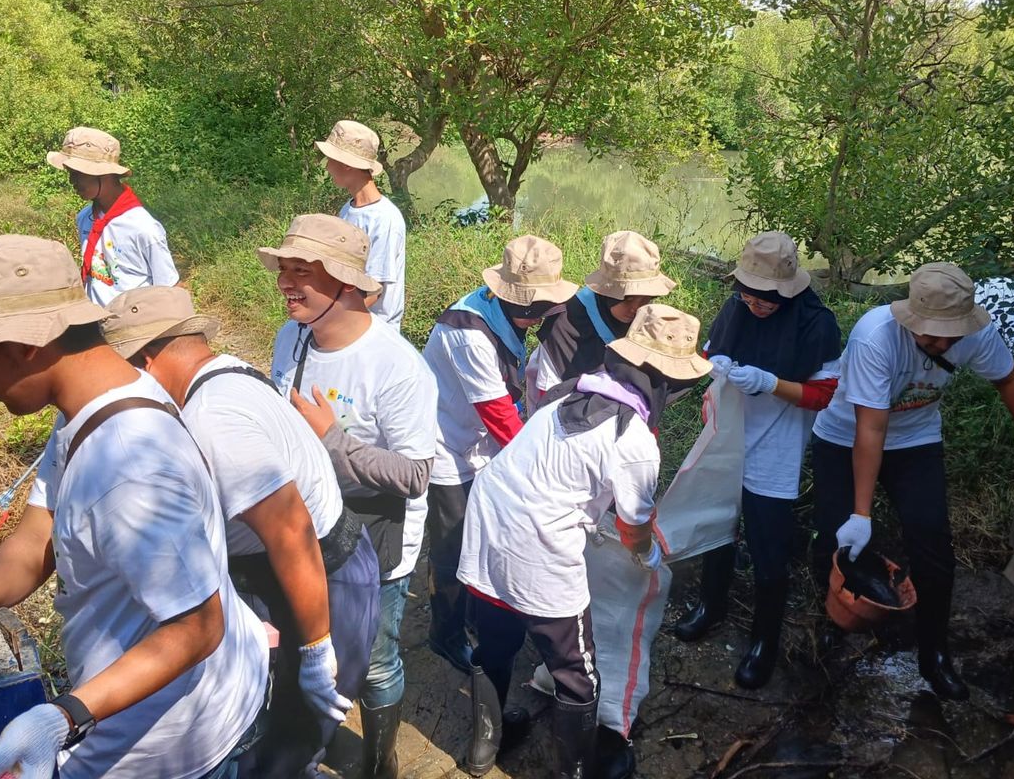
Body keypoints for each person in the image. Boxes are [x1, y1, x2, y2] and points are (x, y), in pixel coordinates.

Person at [0, 235, 267, 778]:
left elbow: (199, 627)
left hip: (176, 743)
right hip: (149, 700)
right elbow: (42, 528)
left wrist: (65, 716)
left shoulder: (129, 464)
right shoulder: (87, 408)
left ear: (25, 345)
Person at [100, 285, 381, 777]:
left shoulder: (213, 417)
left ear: (144, 359)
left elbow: (290, 530)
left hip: (316, 582)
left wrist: (315, 649)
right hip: (314, 568)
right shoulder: (226, 370)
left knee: (284, 743)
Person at [810, 261, 1014, 700]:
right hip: (845, 436)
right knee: (836, 533)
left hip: (916, 439)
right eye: (931, 334)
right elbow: (871, 429)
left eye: (950, 335)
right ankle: (830, 625)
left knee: (933, 544)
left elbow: (1010, 377)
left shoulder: (977, 334)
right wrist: (861, 513)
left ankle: (934, 654)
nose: (941, 343)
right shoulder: (874, 336)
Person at [458, 303, 712, 777]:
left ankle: (481, 751)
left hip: (489, 520)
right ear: (665, 383)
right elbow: (633, 529)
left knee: (495, 642)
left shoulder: (568, 391)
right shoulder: (634, 441)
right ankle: (576, 771)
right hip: (539, 545)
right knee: (578, 675)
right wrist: (650, 556)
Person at [260, 213, 438, 779]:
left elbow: (415, 476)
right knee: (312, 640)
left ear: (345, 284)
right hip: (304, 524)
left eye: (302, 272)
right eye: (283, 269)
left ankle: (380, 760)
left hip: (377, 535)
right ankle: (317, 736)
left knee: (379, 657)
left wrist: (331, 439)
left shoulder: (398, 367)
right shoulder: (291, 337)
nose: (286, 283)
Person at [673, 232, 842, 691]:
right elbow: (707, 354)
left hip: (776, 444)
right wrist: (715, 365)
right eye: (748, 293)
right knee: (717, 527)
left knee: (768, 545)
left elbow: (823, 396)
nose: (755, 303)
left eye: (766, 298)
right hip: (727, 435)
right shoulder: (736, 307)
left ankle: (764, 640)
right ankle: (711, 606)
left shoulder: (815, 323)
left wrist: (769, 383)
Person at [422, 236, 579, 674]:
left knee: (483, 532)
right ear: (505, 293)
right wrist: (543, 474)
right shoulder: (467, 332)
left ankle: (475, 612)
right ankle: (444, 634)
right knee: (452, 545)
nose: (539, 315)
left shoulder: (517, 315)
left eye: (545, 306)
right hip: (445, 442)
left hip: (480, 441)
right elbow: (501, 419)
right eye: (531, 308)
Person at [527, 230, 676, 407]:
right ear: (607, 292)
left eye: (645, 299)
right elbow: (548, 393)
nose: (635, 309)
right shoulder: (564, 324)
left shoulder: (644, 319)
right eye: (628, 299)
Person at [46, 126, 180, 306]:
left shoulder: (144, 228)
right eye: (71, 174)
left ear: (104, 174)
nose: (72, 182)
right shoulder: (85, 218)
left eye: (78, 174)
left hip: (134, 324)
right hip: (96, 323)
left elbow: (168, 288)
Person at [316, 120, 407, 329]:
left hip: (374, 331)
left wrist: (329, 320)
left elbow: (374, 289)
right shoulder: (348, 210)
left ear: (347, 164)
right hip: (348, 323)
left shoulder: (385, 219)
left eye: (330, 160)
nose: (328, 167)